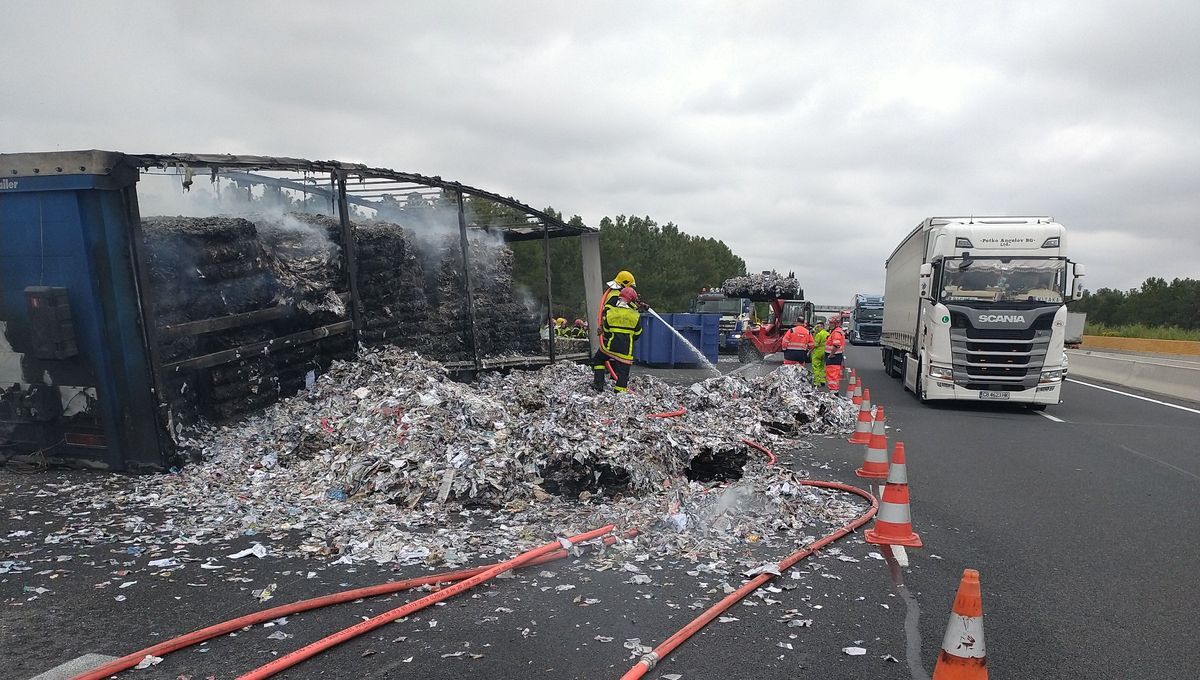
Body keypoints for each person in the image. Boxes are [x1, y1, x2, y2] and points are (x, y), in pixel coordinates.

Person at [592, 286, 643, 393]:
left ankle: (598, 384)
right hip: (625, 352)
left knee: (598, 359)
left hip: (610, 348)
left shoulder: (611, 313)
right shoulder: (635, 316)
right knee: (623, 373)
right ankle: (619, 392)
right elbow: (638, 334)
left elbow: (606, 330)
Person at [824, 314, 847, 393]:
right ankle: (835, 391)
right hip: (836, 357)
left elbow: (836, 345)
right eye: (830, 323)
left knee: (832, 376)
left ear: (836, 324)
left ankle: (833, 393)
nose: (830, 325)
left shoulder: (836, 332)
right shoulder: (837, 331)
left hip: (833, 357)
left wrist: (831, 354)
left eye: (831, 323)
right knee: (834, 376)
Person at [810, 319, 828, 387]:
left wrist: (809, 351)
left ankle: (816, 382)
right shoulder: (827, 333)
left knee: (816, 367)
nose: (817, 328)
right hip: (825, 351)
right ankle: (822, 381)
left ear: (821, 327)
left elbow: (815, 345)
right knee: (822, 367)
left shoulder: (819, 335)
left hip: (818, 352)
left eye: (818, 327)